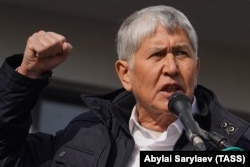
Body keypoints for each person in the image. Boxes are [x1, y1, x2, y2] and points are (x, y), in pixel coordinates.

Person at [0, 5, 249, 167]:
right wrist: (26, 76)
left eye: (182, 54)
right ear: (125, 74)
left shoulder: (235, 145)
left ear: (196, 68)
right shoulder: (84, 135)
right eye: (157, 55)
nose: (172, 67)